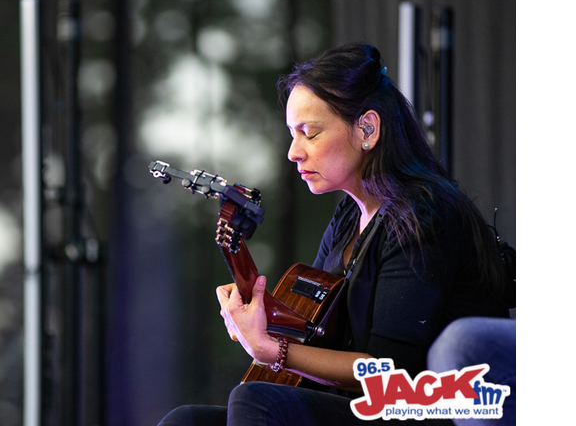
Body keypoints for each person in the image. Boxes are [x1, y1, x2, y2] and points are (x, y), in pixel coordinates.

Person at [157, 43, 511, 425]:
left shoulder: (423, 213)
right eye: (293, 134)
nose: (294, 152)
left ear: (368, 129)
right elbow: (319, 332)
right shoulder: (348, 214)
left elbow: (387, 372)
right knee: (187, 420)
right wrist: (253, 318)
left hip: (422, 410)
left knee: (257, 401)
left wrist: (270, 349)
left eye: (309, 133)